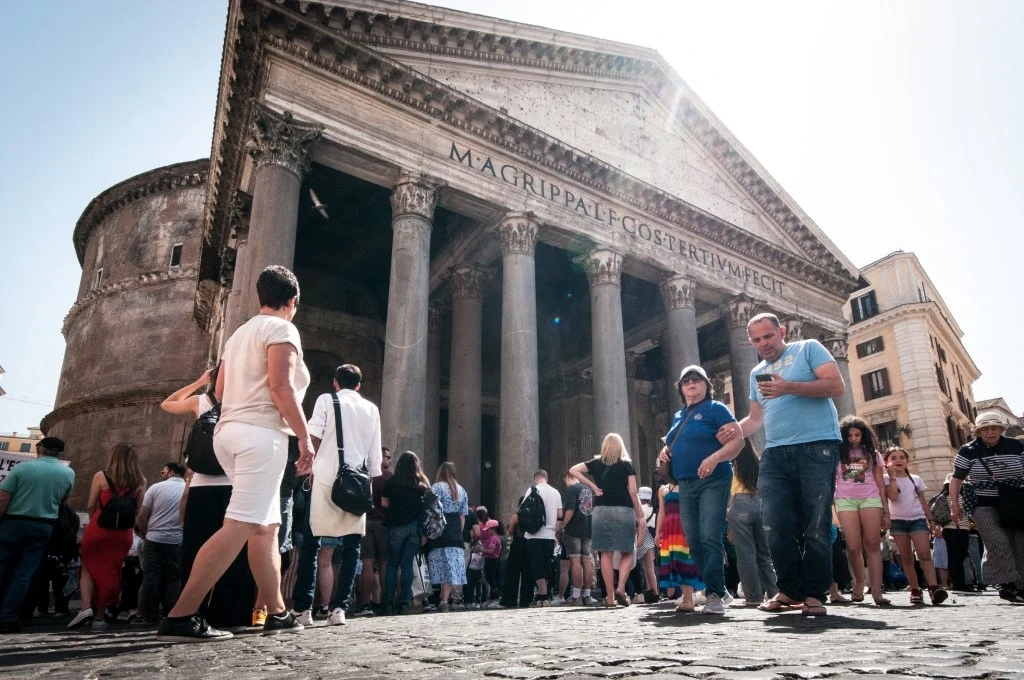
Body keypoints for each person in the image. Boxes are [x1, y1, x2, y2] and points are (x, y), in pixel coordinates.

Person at [158, 265, 312, 642]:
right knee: (240, 525)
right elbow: (281, 388)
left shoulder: (238, 335)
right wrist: (306, 439)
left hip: (228, 434)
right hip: (261, 436)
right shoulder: (283, 329)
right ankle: (182, 613)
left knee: (265, 528)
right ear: (292, 301)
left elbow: (221, 391)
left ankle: (277, 611)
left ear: (261, 297)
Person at [716, 313, 844, 617]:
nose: (764, 344)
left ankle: (813, 593)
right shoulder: (757, 372)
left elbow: (835, 386)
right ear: (750, 342)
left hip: (817, 445)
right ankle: (787, 590)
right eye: (757, 340)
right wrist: (735, 429)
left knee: (815, 523)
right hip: (775, 452)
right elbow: (756, 418)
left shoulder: (808, 349)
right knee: (773, 523)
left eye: (768, 337)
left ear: (781, 332)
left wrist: (789, 387)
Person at [167, 364, 258, 631]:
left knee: (197, 551)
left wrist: (199, 381)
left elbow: (169, 404)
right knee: (234, 552)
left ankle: (192, 610)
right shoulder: (246, 402)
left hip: (202, 486)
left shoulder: (202, 402)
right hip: (234, 485)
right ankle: (231, 615)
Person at [291, 363, 383, 626]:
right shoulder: (371, 408)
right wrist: (369, 484)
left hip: (326, 477)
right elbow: (375, 454)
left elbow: (313, 435)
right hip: (357, 481)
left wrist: (308, 464)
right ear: (359, 386)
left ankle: (303, 609)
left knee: (312, 543)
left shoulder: (326, 400)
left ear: (335, 382)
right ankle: (339, 609)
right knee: (352, 545)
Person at [656, 365, 743, 615]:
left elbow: (738, 441)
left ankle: (714, 593)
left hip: (714, 479)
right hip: (685, 483)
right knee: (693, 541)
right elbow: (678, 442)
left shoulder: (716, 409)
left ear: (707, 385)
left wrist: (715, 457)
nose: (691, 383)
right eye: (686, 380)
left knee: (709, 536)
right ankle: (718, 588)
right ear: (681, 388)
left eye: (697, 379)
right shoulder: (678, 416)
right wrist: (666, 450)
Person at [0, 437, 75, 633]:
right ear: (60, 452)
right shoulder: (68, 473)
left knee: (2, 567)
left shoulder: (22, 469)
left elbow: (3, 498)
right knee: (24, 574)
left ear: (39, 448)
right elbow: (63, 500)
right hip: (43, 526)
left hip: (13, 522)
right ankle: (8, 616)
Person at [70, 443, 147, 630]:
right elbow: (138, 510)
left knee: (88, 566)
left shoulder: (101, 476)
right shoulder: (140, 481)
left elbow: (90, 505)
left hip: (99, 527)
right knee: (112, 570)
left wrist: (98, 517)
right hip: (122, 533)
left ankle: (86, 607)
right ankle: (99, 616)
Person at [950, 412, 1024, 603]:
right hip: (982, 502)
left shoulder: (1016, 446)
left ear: (1001, 430)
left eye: (994, 428)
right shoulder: (968, 450)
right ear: (978, 432)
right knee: (997, 540)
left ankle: (1021, 586)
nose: (990, 432)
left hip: (1015, 501)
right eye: (985, 429)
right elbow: (956, 478)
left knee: (1019, 542)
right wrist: (955, 507)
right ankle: (1006, 583)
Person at [569, 433, 644, 608]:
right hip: (623, 509)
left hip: (601, 510)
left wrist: (594, 487)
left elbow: (573, 470)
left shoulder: (596, 463)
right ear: (620, 447)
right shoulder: (627, 465)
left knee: (605, 553)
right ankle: (621, 587)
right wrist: (639, 513)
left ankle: (610, 598)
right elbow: (633, 491)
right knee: (628, 550)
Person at [833, 416, 891, 606]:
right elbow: (832, 479)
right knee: (852, 546)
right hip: (845, 500)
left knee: (873, 544)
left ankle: (877, 591)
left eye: (857, 435)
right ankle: (858, 584)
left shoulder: (873, 453)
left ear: (864, 435)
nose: (854, 438)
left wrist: (886, 512)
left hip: (871, 498)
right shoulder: (837, 453)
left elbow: (881, 483)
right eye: (850, 435)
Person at [883, 447, 947, 605]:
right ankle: (915, 589)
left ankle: (933, 587)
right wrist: (892, 477)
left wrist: (931, 521)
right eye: (893, 458)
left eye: (901, 457)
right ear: (887, 462)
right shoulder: (885, 479)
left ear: (907, 461)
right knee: (906, 558)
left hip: (917, 519)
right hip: (897, 521)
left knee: (924, 554)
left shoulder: (916, 479)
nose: (898, 460)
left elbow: (923, 502)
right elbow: (892, 496)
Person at [726, 439, 778, 607]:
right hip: (760, 503)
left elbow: (729, 494)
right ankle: (775, 593)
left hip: (739, 504)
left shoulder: (731, 466)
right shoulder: (759, 462)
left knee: (745, 555)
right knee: (765, 554)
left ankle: (754, 596)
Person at [135, 462, 187, 624]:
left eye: (163, 471)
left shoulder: (156, 488)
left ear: (171, 472)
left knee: (151, 576)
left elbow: (143, 515)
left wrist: (144, 533)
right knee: (174, 578)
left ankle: (150, 615)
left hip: (154, 538)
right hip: (177, 538)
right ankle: (171, 613)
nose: (162, 473)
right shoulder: (187, 489)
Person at [380, 451, 429, 615]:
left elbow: (384, 502)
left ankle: (387, 603)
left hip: (396, 526)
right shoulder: (421, 483)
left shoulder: (392, 481)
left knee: (392, 565)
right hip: (415, 528)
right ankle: (404, 604)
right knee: (407, 565)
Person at [655, 480, 705, 613]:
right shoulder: (663, 490)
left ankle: (692, 598)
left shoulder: (689, 485)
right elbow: (662, 512)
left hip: (686, 527)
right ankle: (688, 598)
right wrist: (658, 532)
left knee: (688, 561)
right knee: (677, 562)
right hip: (670, 530)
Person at [429, 462, 469, 612]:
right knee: (450, 567)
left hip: (439, 529)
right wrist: (458, 531)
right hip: (454, 530)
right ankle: (444, 600)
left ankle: (429, 598)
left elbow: (431, 508)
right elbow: (462, 516)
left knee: (438, 564)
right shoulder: (461, 490)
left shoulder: (437, 487)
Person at [356, 447, 392, 614]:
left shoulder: (365, 474)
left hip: (366, 520)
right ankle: (387, 602)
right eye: (387, 457)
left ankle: (364, 603)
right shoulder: (388, 477)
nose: (390, 460)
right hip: (383, 522)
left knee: (367, 563)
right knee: (385, 563)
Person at [522, 470, 562, 607]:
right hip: (549, 534)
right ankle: (541, 596)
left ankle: (544, 595)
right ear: (547, 478)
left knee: (536, 565)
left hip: (534, 534)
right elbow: (560, 513)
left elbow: (523, 510)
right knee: (546, 564)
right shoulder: (556, 492)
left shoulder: (532, 490)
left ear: (535, 479)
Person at [559, 471, 597, 606]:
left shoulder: (572, 489)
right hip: (587, 529)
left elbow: (570, 510)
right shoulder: (588, 489)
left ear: (568, 477)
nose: (565, 483)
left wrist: (563, 525)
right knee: (586, 561)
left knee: (575, 561)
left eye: (565, 480)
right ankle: (587, 594)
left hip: (574, 530)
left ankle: (576, 596)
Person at [936, 473, 971, 592]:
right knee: (959, 558)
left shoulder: (942, 497)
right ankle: (960, 584)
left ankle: (955, 583)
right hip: (961, 529)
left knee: (951, 557)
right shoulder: (961, 496)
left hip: (947, 529)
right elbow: (965, 511)